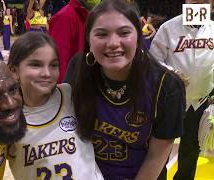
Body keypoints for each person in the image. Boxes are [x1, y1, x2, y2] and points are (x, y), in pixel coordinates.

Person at [69, 0, 186, 179]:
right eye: (101, 34)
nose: (113, 43)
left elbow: (155, 158)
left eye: (124, 33)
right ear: (88, 40)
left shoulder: (168, 86)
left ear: (138, 36)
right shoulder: (78, 68)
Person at [7, 31, 104, 180]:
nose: (46, 73)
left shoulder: (70, 94)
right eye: (35, 64)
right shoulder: (7, 118)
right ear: (14, 71)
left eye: (53, 65)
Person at [149, 0, 214, 179]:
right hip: (171, 100)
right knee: (163, 145)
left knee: (192, 148)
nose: (199, 4)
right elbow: (153, 61)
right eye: (195, 0)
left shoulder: (212, 28)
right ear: (186, 2)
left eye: (204, 1)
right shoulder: (168, 28)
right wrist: (173, 74)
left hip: (200, 100)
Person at [49, 0, 100, 82]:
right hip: (72, 88)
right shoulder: (65, 17)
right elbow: (58, 61)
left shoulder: (93, 16)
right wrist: (63, 93)